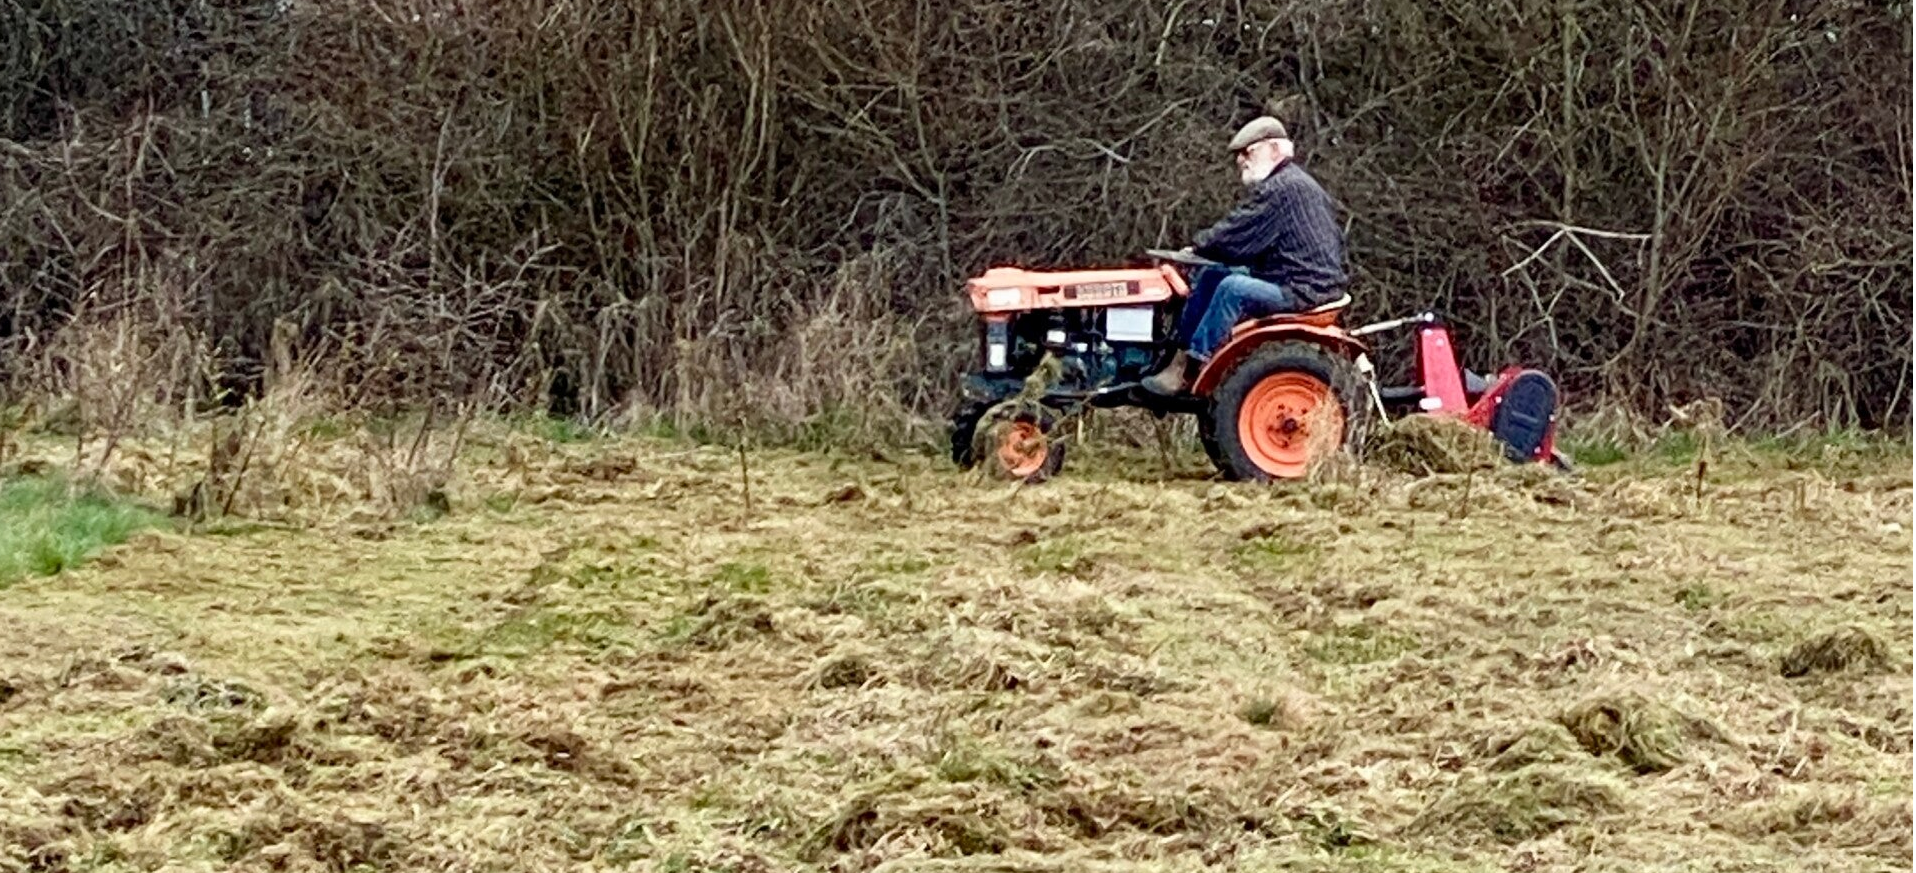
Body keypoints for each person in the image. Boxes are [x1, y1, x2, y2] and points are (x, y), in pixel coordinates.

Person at [1141, 116, 1350, 396]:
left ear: (1274, 149)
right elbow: (1248, 241)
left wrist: (1199, 247)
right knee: (1214, 275)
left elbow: (1239, 230)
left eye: (1248, 152)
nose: (1241, 160)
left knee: (1233, 288)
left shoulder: (1283, 188)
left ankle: (1192, 367)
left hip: (1304, 291)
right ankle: (1174, 355)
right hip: (1293, 280)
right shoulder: (1293, 184)